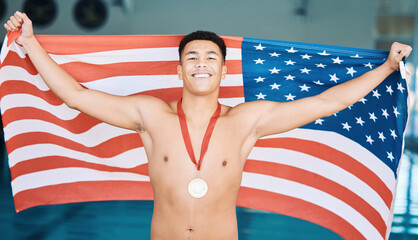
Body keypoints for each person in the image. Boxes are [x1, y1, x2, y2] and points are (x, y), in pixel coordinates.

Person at [4, 11, 412, 240]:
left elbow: (327, 101)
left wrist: (388, 67)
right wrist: (31, 43)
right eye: (193, 58)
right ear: (179, 69)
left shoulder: (247, 121)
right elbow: (75, 96)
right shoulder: (150, 116)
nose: (202, 63)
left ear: (222, 68)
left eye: (211, 57)